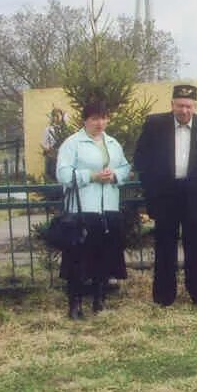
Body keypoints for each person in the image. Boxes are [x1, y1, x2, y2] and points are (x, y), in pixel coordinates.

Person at [134, 84, 197, 312]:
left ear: (195, 106)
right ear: (172, 104)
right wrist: (150, 195)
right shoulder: (155, 125)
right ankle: (164, 297)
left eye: (188, 106)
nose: (184, 110)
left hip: (195, 196)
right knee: (164, 245)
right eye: (179, 105)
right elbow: (142, 160)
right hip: (165, 195)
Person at [55, 99, 130, 320]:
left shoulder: (113, 143)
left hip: (108, 209)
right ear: (85, 120)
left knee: (104, 257)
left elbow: (125, 167)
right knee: (78, 259)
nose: (100, 123)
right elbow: (63, 174)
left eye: (104, 118)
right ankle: (75, 304)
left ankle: (99, 299)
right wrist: (91, 176)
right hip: (82, 210)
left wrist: (115, 175)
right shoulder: (72, 143)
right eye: (95, 118)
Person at [41, 108, 66, 183]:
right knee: (51, 177)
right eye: (54, 116)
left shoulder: (65, 129)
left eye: (58, 115)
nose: (57, 117)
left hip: (62, 157)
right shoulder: (48, 129)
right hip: (51, 157)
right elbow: (43, 143)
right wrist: (48, 149)